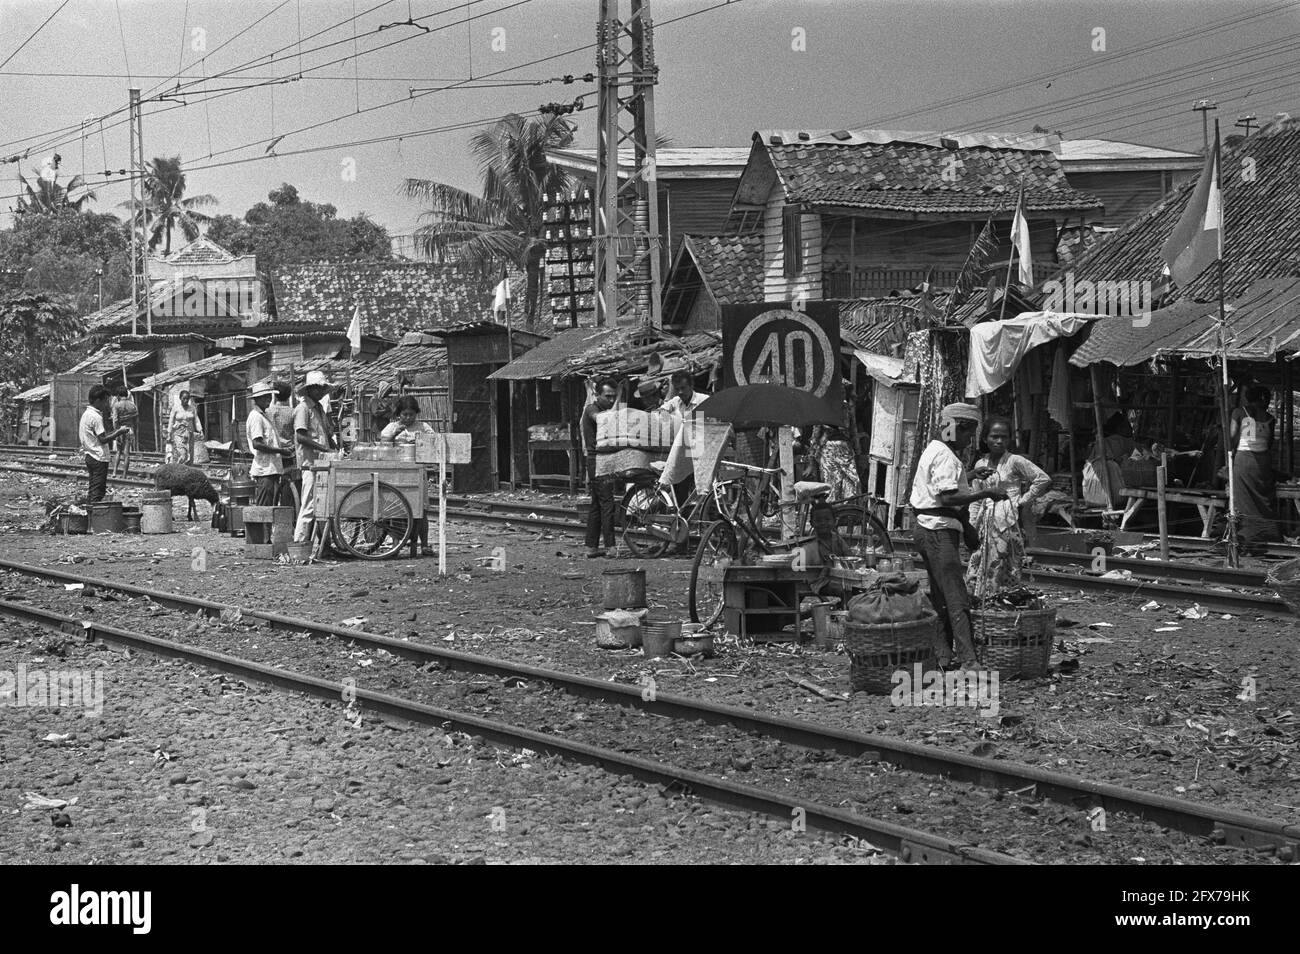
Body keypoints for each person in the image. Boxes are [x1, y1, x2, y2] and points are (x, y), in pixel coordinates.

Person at [909, 403, 1007, 670]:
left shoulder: (937, 450)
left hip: (929, 527)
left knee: (940, 595)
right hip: (938, 530)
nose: (969, 440)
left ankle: (942, 655)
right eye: (968, 433)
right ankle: (968, 658)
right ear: (956, 428)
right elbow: (947, 496)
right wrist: (986, 493)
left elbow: (945, 485)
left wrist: (971, 475)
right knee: (955, 597)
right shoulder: (945, 456)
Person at [965, 417, 1052, 600]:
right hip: (984, 520)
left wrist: (1022, 500)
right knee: (979, 563)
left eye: (1004, 437)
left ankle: (1001, 601)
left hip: (1007, 521)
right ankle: (982, 602)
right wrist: (972, 524)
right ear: (985, 439)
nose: (999, 441)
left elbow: (1042, 478)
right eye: (994, 436)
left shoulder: (1015, 461)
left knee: (1005, 564)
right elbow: (976, 498)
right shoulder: (980, 465)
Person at [380, 395, 436, 555]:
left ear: (416, 413)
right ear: (399, 414)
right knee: (396, 508)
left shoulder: (423, 427)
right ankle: (396, 544)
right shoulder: (392, 427)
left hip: (418, 472)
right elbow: (382, 446)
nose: (408, 418)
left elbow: (433, 443)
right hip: (397, 473)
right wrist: (393, 435)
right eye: (404, 414)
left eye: (411, 414)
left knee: (421, 510)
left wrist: (420, 442)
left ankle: (424, 544)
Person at [1230, 385, 1280, 553]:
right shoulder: (1270, 419)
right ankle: (1266, 533)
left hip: (1243, 461)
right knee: (1263, 499)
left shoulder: (1238, 412)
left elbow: (1231, 437)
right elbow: (1270, 443)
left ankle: (1247, 535)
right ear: (1262, 399)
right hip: (1263, 462)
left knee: (1243, 500)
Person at [292, 371, 336, 544]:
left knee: (322, 505)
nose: (320, 391)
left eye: (322, 388)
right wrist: (323, 447)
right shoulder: (303, 409)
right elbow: (301, 437)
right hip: (310, 464)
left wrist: (331, 445)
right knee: (309, 505)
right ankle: (299, 543)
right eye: (317, 388)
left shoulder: (318, 408)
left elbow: (325, 433)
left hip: (321, 463)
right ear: (309, 389)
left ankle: (324, 544)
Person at [582, 378, 619, 559]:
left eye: (614, 397)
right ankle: (610, 546)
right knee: (607, 503)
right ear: (597, 395)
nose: (611, 401)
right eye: (608, 396)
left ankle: (591, 547)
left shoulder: (605, 410)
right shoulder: (592, 410)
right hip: (597, 461)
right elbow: (599, 419)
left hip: (601, 460)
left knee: (597, 505)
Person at [80, 385, 131, 504]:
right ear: (98, 400)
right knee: (97, 493)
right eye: (105, 401)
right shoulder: (96, 417)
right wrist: (119, 432)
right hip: (98, 457)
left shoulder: (86, 414)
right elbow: (103, 439)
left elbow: (100, 435)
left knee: (93, 490)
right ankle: (93, 518)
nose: (107, 404)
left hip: (90, 455)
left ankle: (90, 515)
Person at [247, 380, 294, 506]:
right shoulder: (256, 417)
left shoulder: (265, 415)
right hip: (265, 470)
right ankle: (263, 526)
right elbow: (257, 444)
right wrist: (280, 450)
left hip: (272, 468)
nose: (268, 399)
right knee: (264, 507)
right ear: (257, 399)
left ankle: (267, 526)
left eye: (269, 396)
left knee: (271, 506)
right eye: (264, 397)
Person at [1082, 411, 1135, 508]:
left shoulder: (1102, 442)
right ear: (1119, 427)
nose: (1130, 429)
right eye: (1126, 426)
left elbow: (1089, 459)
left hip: (1095, 494)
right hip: (1116, 491)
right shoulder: (1122, 441)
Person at [109, 384, 139, 477]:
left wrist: (116, 431)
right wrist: (134, 429)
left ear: (118, 395)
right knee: (127, 454)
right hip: (129, 430)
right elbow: (136, 420)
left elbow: (115, 420)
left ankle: (114, 472)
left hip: (120, 430)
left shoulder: (117, 405)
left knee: (118, 451)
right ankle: (124, 475)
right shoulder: (133, 405)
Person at [167, 390, 203, 465]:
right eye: (184, 398)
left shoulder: (192, 408)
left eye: (187, 399)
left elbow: (196, 420)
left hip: (189, 434)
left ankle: (187, 471)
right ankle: (177, 467)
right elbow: (171, 421)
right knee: (183, 454)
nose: (186, 400)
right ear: (180, 398)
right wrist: (169, 434)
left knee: (190, 455)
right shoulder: (175, 408)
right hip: (178, 434)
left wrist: (200, 430)